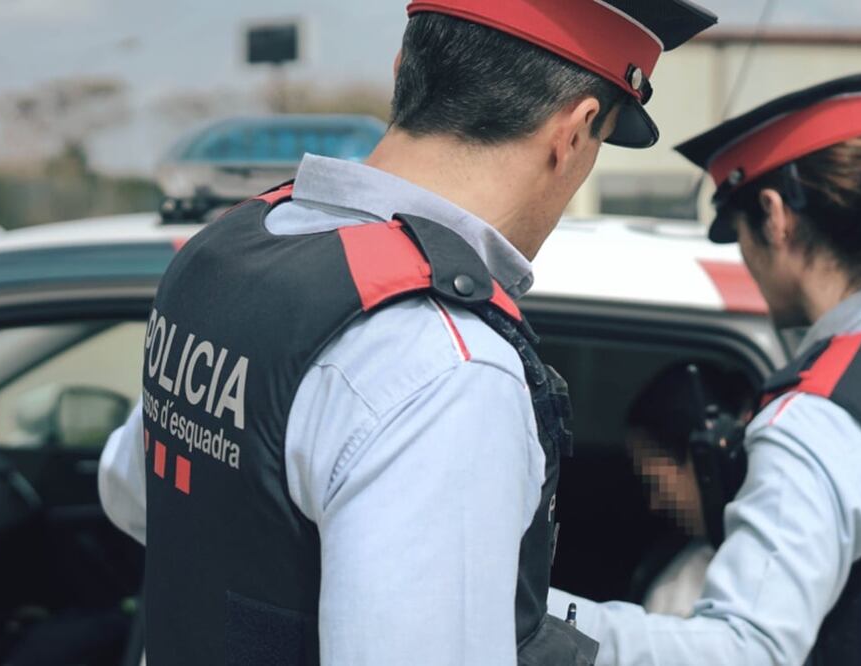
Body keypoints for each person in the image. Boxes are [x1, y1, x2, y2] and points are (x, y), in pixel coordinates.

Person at [97, 1, 717, 665]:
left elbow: (130, 492)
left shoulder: (222, 253)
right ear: (574, 131)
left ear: (403, 72)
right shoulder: (445, 364)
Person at [548, 71, 861, 665]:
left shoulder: (818, 422)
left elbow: (744, 651)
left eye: (738, 234)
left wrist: (542, 618)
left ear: (774, 213)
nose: (746, 258)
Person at [623, 362, 753, 617]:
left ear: (704, 460)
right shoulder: (680, 559)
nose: (654, 503)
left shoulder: (683, 590)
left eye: (655, 483)